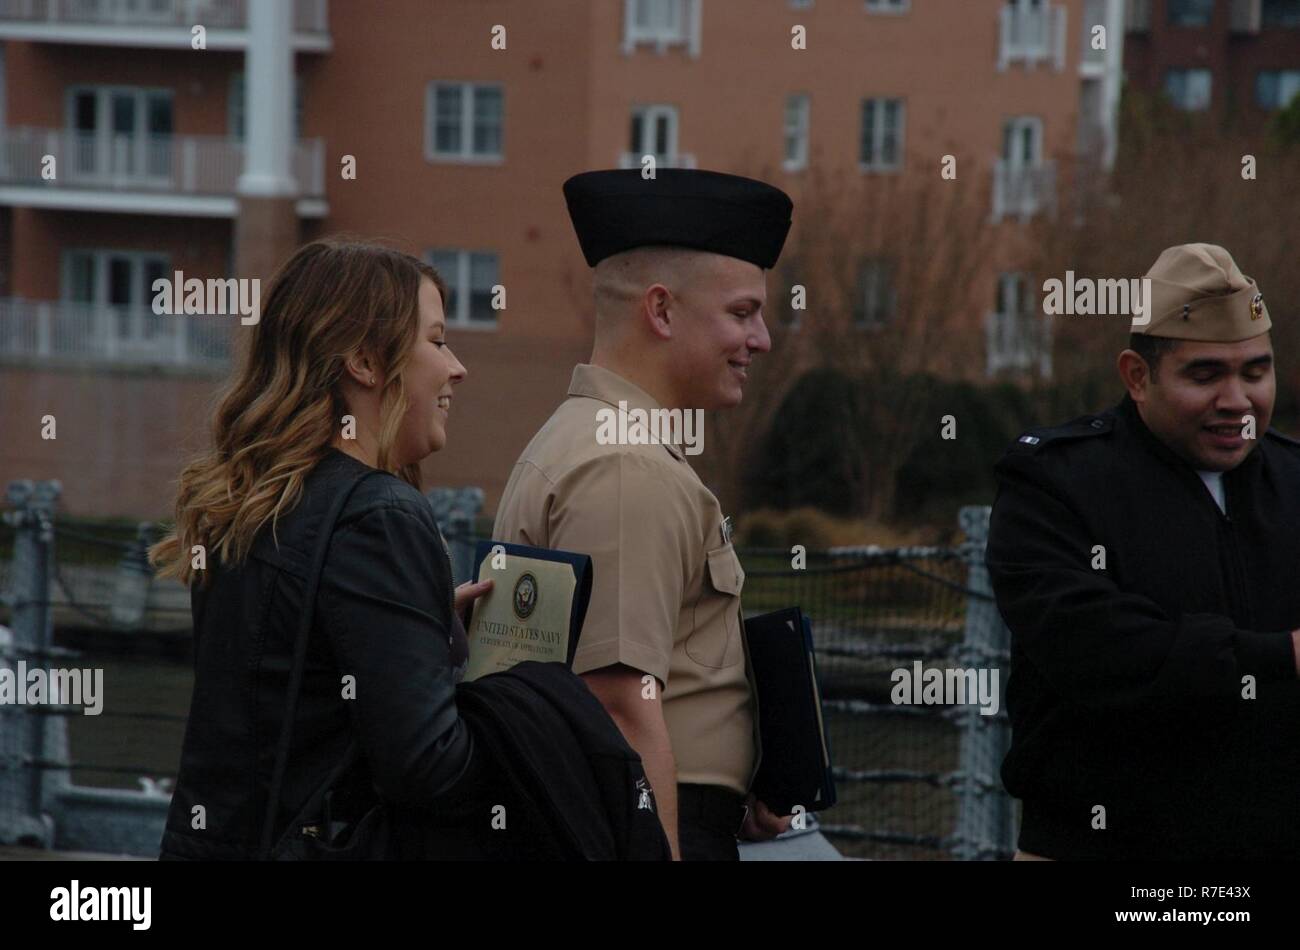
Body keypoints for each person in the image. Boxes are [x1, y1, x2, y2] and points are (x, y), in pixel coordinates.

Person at [151, 239, 669, 860]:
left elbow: (283, 679)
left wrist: (419, 637)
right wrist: (532, 709)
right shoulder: (379, 515)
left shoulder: (251, 503)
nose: (457, 367)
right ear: (366, 361)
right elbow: (430, 769)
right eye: (436, 340)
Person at [492, 168, 795, 860]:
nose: (762, 340)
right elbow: (621, 703)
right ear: (660, 311)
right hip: (645, 830)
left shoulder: (587, 438)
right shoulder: (627, 467)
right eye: (743, 313)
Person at [987, 243, 1300, 860]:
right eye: (1205, 375)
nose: (1236, 401)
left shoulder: (1294, 482)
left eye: (1255, 372)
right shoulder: (1057, 484)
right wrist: (1281, 656)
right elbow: (1100, 650)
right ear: (1137, 376)